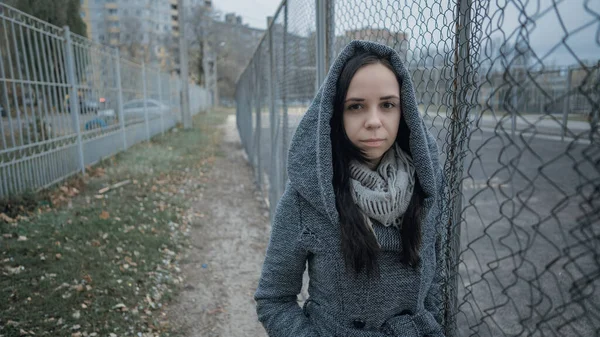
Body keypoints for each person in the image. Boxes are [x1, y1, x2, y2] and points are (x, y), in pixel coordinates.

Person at [254, 40, 446, 337]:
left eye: (387, 105)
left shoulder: (428, 184)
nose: (373, 121)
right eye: (356, 106)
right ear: (335, 113)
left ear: (404, 110)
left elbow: (436, 279)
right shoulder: (307, 195)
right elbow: (274, 299)